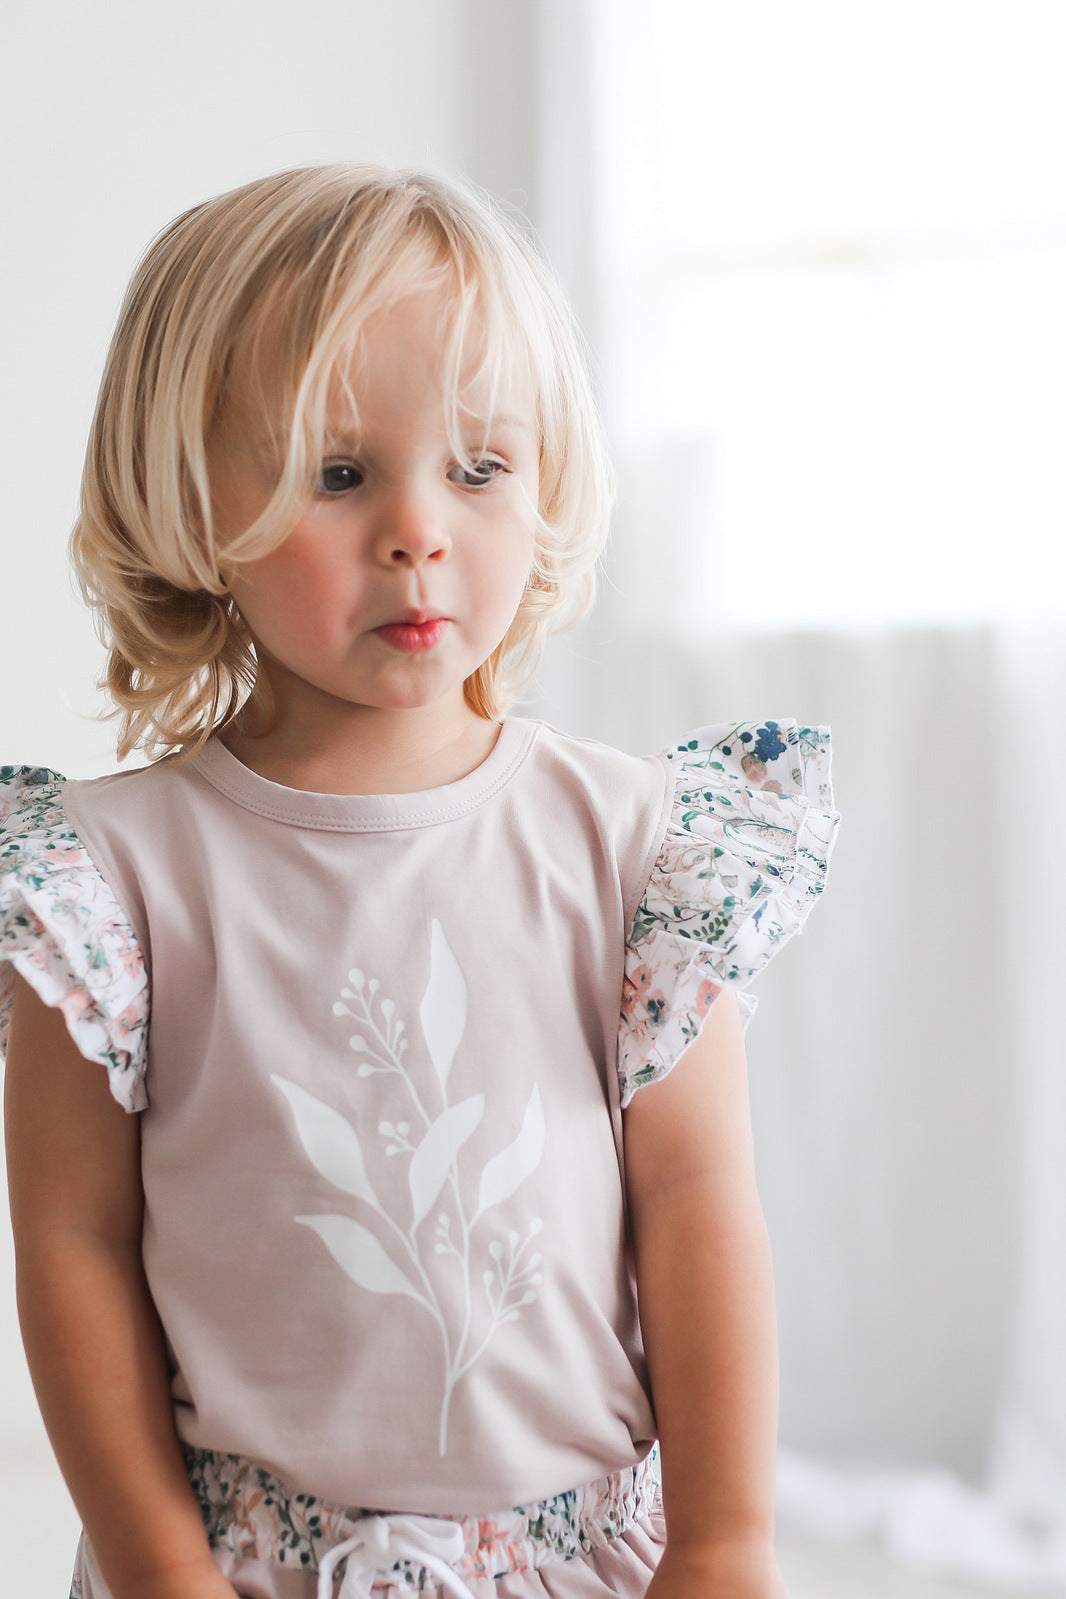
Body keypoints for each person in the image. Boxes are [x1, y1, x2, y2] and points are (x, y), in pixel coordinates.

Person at [0, 165, 838, 1599]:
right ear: (195, 504)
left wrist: (723, 1541)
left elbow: (699, 1203)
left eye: (477, 466)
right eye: (338, 474)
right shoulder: (112, 877)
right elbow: (72, 1236)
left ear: (545, 483)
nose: (417, 529)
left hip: (583, 1563)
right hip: (244, 1567)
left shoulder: (636, 844)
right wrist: (153, 1566)